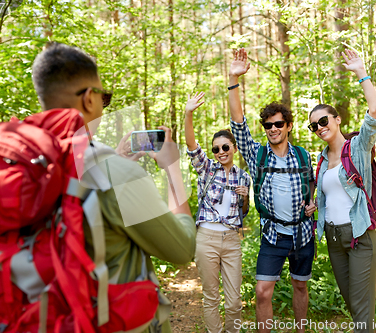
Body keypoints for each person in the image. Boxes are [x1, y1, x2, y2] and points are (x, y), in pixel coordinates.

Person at [32, 42, 196, 332]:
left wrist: (116, 161)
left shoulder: (30, 165)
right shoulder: (116, 175)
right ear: (89, 100)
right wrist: (172, 168)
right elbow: (182, 249)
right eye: (103, 97)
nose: (104, 106)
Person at [227, 48, 316, 333]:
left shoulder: (303, 155)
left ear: (288, 126)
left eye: (279, 124)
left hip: (303, 233)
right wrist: (233, 79)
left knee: (300, 286)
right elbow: (238, 125)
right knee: (263, 291)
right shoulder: (257, 155)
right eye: (268, 125)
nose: (273, 128)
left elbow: (312, 185)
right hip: (273, 234)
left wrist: (313, 203)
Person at [309, 49, 376, 333]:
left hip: (360, 234)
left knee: (361, 309)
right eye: (314, 125)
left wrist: (360, 72)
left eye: (324, 121)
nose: (319, 128)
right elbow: (331, 195)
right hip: (333, 237)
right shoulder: (321, 159)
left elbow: (374, 112)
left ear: (337, 119)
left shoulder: (358, 148)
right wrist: (316, 206)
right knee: (353, 304)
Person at [184, 92, 251, 333]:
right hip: (207, 239)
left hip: (232, 239)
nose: (220, 151)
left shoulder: (243, 176)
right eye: (215, 149)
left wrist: (245, 197)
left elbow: (243, 212)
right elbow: (191, 145)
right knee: (211, 297)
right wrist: (188, 112)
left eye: (225, 147)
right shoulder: (207, 168)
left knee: (234, 301)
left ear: (233, 148)